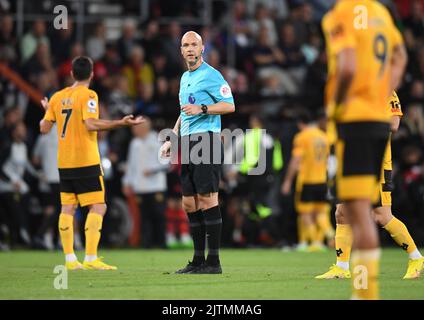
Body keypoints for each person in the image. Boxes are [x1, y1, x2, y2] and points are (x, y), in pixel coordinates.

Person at [322, 0, 407, 299]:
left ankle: (364, 292)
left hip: (354, 123)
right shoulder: (382, 14)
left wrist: (337, 104)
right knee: (350, 212)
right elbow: (401, 55)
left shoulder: (341, 14)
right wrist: (382, 89)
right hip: (371, 125)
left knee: (367, 215)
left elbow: (345, 65)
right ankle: (352, 278)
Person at [39, 56, 143, 270]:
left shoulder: (57, 97)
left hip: (65, 162)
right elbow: (90, 124)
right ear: (92, 74)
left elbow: (44, 128)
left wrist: (47, 110)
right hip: (86, 159)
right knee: (98, 206)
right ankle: (90, 258)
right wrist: (120, 123)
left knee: (67, 207)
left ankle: (69, 260)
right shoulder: (89, 95)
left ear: (71, 74)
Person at [316, 92, 424, 280]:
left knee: (381, 215)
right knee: (341, 212)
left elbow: (394, 124)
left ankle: (416, 258)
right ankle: (342, 267)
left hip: (375, 162)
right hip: (350, 160)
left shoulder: (386, 90)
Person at [160, 31, 235, 274]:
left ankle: (214, 262)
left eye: (194, 44)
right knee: (189, 203)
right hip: (187, 142)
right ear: (181, 50)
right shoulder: (184, 78)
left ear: (202, 48)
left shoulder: (212, 75)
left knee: (207, 199)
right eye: (185, 45)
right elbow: (184, 112)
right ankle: (197, 261)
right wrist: (171, 138)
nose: (190, 48)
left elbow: (229, 105)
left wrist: (202, 108)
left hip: (207, 141)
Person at [281, 111, 332, 252]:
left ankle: (318, 240)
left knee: (304, 213)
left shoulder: (302, 137)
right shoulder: (324, 136)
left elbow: (296, 160)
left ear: (300, 123)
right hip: (322, 180)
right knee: (319, 212)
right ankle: (320, 239)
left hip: (306, 180)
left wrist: (287, 180)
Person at [122, 117, 168, 249]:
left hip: (156, 186)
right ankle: (146, 244)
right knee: (144, 217)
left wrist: (152, 170)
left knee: (159, 216)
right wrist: (126, 182)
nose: (134, 129)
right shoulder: (134, 143)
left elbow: (167, 163)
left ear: (145, 127)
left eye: (136, 126)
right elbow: (131, 165)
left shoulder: (157, 140)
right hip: (140, 187)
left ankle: (161, 243)